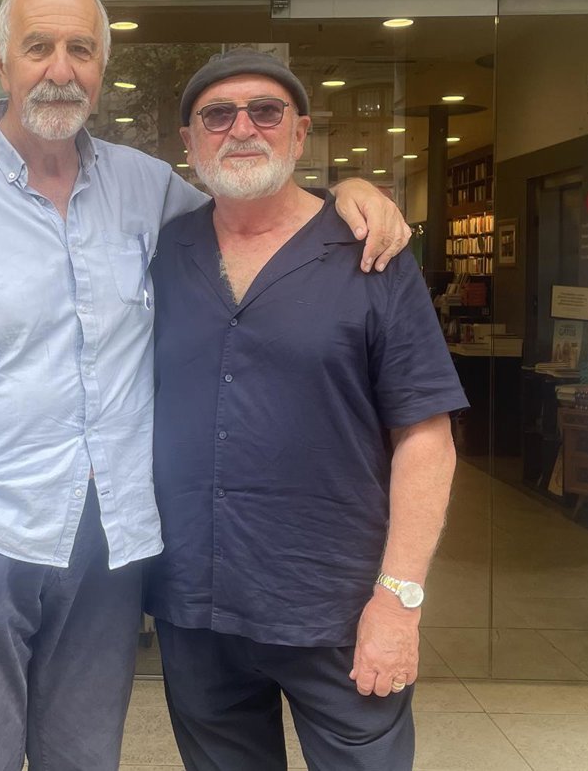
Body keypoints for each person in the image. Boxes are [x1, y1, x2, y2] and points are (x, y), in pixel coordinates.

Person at [0, 0, 411, 771]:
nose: (60, 69)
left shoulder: (144, 187)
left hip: (110, 535)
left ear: (101, 69)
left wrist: (344, 191)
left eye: (81, 49)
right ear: (2, 62)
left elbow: (252, 210)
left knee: (84, 753)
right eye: (39, 47)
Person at [146, 48, 468, 771]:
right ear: (190, 142)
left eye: (266, 112)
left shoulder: (369, 254)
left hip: (338, 610)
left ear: (299, 133)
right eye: (217, 116)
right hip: (197, 604)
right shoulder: (165, 253)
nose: (242, 129)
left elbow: (426, 435)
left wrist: (399, 600)